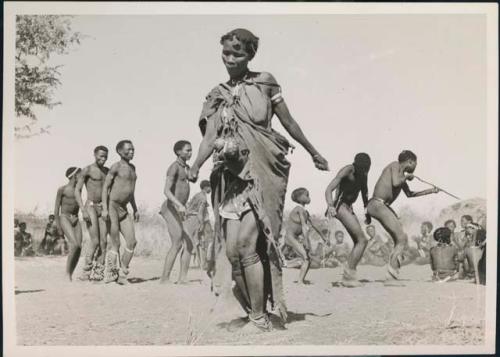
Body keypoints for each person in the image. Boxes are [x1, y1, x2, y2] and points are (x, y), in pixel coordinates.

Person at [188, 28, 329, 331]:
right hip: (231, 178)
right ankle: (253, 306)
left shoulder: (266, 83)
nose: (230, 58)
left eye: (237, 52)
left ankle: (258, 317)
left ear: (250, 54)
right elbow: (210, 136)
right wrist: (196, 165)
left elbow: (289, 121)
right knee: (232, 251)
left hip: (261, 172)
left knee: (249, 245)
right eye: (226, 52)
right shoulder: (217, 95)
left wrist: (313, 151)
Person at [365, 150, 440, 286]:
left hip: (380, 206)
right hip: (377, 204)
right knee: (402, 239)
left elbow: (410, 194)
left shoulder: (401, 176)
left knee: (399, 239)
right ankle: (391, 277)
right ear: (410, 161)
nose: (415, 167)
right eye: (415, 163)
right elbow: (395, 183)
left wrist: (431, 191)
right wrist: (407, 177)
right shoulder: (395, 166)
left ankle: (392, 273)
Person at [325, 153, 371, 287]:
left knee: (361, 241)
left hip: (348, 208)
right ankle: (348, 276)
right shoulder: (349, 169)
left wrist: (366, 212)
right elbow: (329, 189)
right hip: (340, 207)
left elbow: (365, 194)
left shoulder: (363, 175)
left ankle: (348, 275)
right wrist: (330, 205)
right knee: (362, 240)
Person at [102, 140, 139, 285]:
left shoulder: (133, 168)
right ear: (119, 151)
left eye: (133, 149)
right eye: (128, 149)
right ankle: (111, 274)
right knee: (115, 243)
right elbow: (105, 188)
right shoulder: (115, 167)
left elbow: (131, 191)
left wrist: (135, 208)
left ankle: (123, 268)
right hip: (112, 206)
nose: (132, 152)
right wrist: (105, 208)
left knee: (132, 241)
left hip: (124, 208)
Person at [159, 140, 193, 284]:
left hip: (180, 210)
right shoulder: (174, 167)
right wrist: (179, 205)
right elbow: (166, 191)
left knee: (189, 245)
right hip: (170, 208)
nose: (190, 153)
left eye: (191, 150)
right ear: (178, 152)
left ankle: (182, 278)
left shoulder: (187, 167)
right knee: (177, 242)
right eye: (187, 150)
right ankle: (164, 279)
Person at [75, 146, 110, 281]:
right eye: (101, 156)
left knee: (104, 242)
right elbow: (77, 190)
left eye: (105, 156)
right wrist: (82, 210)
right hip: (90, 206)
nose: (103, 159)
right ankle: (86, 272)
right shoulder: (88, 170)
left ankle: (99, 272)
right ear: (94, 155)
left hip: (103, 207)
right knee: (95, 241)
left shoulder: (107, 171)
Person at [284, 188, 327, 285]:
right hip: (290, 237)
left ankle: (301, 279)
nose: (309, 197)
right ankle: (299, 281)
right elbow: (304, 226)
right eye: (306, 195)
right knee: (306, 258)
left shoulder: (305, 212)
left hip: (294, 238)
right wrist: (306, 241)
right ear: (299, 198)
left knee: (308, 258)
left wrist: (323, 236)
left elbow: (314, 224)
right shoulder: (299, 209)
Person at [54, 167, 83, 281]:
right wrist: (58, 227)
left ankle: (71, 273)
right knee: (74, 244)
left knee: (79, 247)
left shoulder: (79, 190)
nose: (82, 177)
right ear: (74, 176)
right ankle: (67, 273)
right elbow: (56, 210)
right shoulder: (62, 189)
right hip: (65, 217)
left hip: (75, 219)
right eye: (80, 175)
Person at [184, 180, 212, 270]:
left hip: (190, 219)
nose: (210, 189)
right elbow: (200, 212)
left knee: (196, 242)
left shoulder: (197, 195)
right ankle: (203, 265)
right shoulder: (203, 198)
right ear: (206, 187)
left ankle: (200, 264)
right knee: (203, 242)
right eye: (210, 187)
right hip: (196, 219)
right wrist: (202, 224)